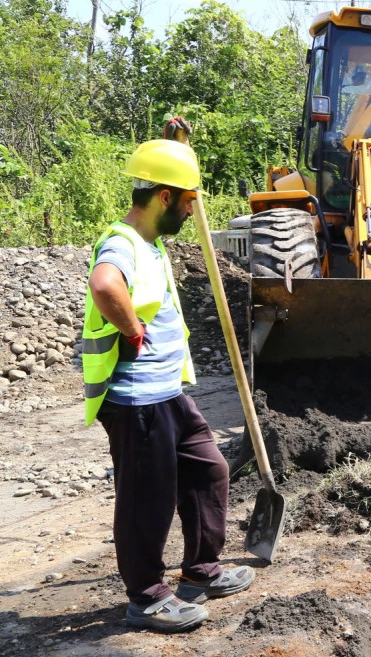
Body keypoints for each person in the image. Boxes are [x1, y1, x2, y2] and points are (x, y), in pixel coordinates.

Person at [83, 138, 255, 633]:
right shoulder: (121, 243)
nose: (190, 208)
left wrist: (173, 144)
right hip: (136, 402)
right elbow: (104, 284)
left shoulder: (149, 242)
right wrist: (133, 329)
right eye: (186, 200)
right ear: (163, 197)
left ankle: (200, 571)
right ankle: (147, 597)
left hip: (168, 395)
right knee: (146, 501)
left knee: (209, 471)